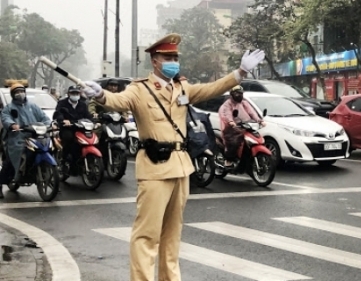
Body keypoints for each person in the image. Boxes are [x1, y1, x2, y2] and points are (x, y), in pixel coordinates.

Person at [81, 33, 265, 281]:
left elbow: (211, 89)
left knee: (172, 233)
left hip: (180, 166)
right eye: (168, 57)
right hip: (155, 168)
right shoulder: (140, 89)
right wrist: (101, 95)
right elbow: (118, 101)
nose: (174, 61)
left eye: (176, 57)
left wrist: (240, 72)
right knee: (147, 234)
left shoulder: (182, 87)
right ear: (155, 60)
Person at [0, 83, 51, 199]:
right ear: (13, 95)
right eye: (16, 92)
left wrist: (49, 124)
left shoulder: (33, 106)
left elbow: (44, 117)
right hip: (16, 138)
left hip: (35, 135)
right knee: (11, 161)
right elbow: (5, 118)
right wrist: (13, 125)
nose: (20, 94)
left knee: (47, 147)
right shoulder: (9, 108)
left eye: (21, 91)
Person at [218, 85, 265, 167]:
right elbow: (228, 113)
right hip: (230, 127)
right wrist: (231, 122)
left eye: (241, 93)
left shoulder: (244, 103)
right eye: (237, 93)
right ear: (232, 94)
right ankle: (229, 160)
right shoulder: (228, 104)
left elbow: (251, 112)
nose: (239, 95)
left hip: (243, 126)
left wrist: (259, 121)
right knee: (234, 142)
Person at [53, 85, 93, 174]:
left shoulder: (83, 104)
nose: (75, 95)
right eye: (73, 93)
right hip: (67, 129)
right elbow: (58, 114)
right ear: (68, 94)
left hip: (80, 128)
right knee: (69, 139)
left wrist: (94, 122)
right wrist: (63, 120)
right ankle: (64, 160)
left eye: (77, 93)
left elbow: (88, 116)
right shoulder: (62, 103)